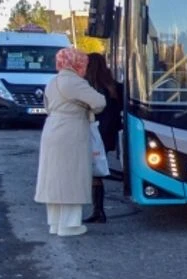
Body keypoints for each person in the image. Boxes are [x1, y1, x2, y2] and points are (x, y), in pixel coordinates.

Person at [34, 47, 106, 237]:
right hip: (71, 130)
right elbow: (100, 102)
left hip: (52, 128)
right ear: (78, 64)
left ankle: (55, 223)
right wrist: (86, 107)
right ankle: (69, 225)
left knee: (54, 178)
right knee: (71, 177)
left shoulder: (53, 81)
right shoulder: (75, 82)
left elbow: (47, 106)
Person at [83, 53, 122, 223]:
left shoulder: (90, 86)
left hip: (94, 132)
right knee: (97, 169)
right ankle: (98, 211)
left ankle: (98, 211)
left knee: (94, 171)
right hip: (108, 133)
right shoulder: (113, 85)